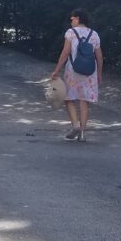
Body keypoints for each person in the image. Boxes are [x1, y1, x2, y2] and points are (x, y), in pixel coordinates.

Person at [51, 8, 103, 142]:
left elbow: (65, 53)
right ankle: (83, 133)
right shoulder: (94, 34)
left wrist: (56, 70)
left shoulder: (70, 33)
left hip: (73, 70)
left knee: (68, 98)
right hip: (90, 72)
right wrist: (99, 74)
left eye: (72, 18)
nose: (71, 21)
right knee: (84, 101)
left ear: (78, 18)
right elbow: (99, 57)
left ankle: (75, 125)